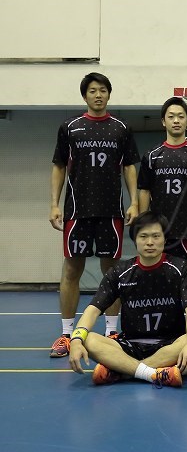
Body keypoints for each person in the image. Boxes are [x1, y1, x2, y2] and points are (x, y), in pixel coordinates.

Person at [49, 72, 140, 358]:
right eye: (92, 90)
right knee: (71, 270)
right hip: (77, 211)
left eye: (102, 90)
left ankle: (112, 332)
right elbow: (59, 166)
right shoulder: (70, 127)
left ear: (109, 94)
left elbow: (129, 167)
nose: (98, 95)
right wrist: (54, 204)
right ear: (84, 95)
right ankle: (66, 334)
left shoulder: (121, 128)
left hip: (111, 212)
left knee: (112, 273)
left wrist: (134, 202)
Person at [68, 211, 187, 388]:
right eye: (143, 236)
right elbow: (93, 309)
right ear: (135, 240)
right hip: (129, 346)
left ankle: (122, 371)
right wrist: (76, 340)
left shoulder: (180, 268)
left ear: (165, 239)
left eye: (156, 236)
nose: (150, 242)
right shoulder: (120, 272)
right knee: (89, 339)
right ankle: (155, 373)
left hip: (169, 344)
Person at [138, 97, 187, 350]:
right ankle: (164, 327)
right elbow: (144, 191)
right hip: (159, 233)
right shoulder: (152, 156)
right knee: (158, 280)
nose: (176, 120)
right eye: (171, 116)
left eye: (181, 116)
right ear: (163, 121)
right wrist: (143, 226)